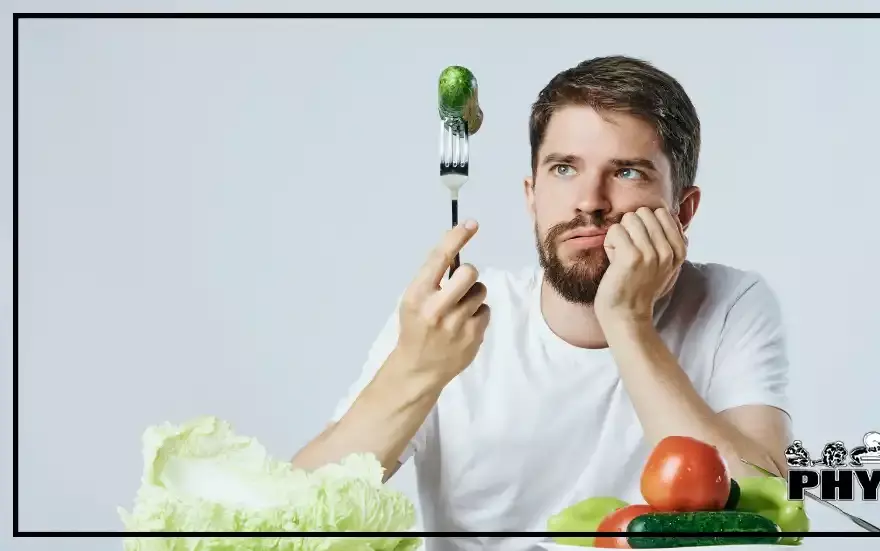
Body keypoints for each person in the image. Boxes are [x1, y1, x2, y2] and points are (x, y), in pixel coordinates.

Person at [292, 55, 794, 549]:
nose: (590, 201)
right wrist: (416, 369)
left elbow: (766, 514)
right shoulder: (453, 316)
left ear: (682, 210)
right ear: (532, 194)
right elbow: (293, 513)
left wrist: (627, 320)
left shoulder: (730, 304)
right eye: (564, 168)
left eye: (626, 173)